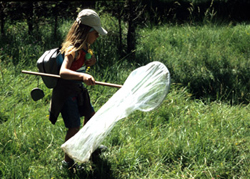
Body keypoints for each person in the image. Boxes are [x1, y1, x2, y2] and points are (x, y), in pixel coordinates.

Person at [48, 9, 107, 171]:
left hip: (78, 90)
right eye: (95, 33)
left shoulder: (85, 48)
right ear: (87, 31)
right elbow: (63, 72)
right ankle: (68, 163)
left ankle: (91, 148)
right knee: (74, 126)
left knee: (91, 117)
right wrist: (82, 77)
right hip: (67, 93)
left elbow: (80, 66)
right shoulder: (72, 49)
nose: (97, 37)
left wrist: (90, 63)